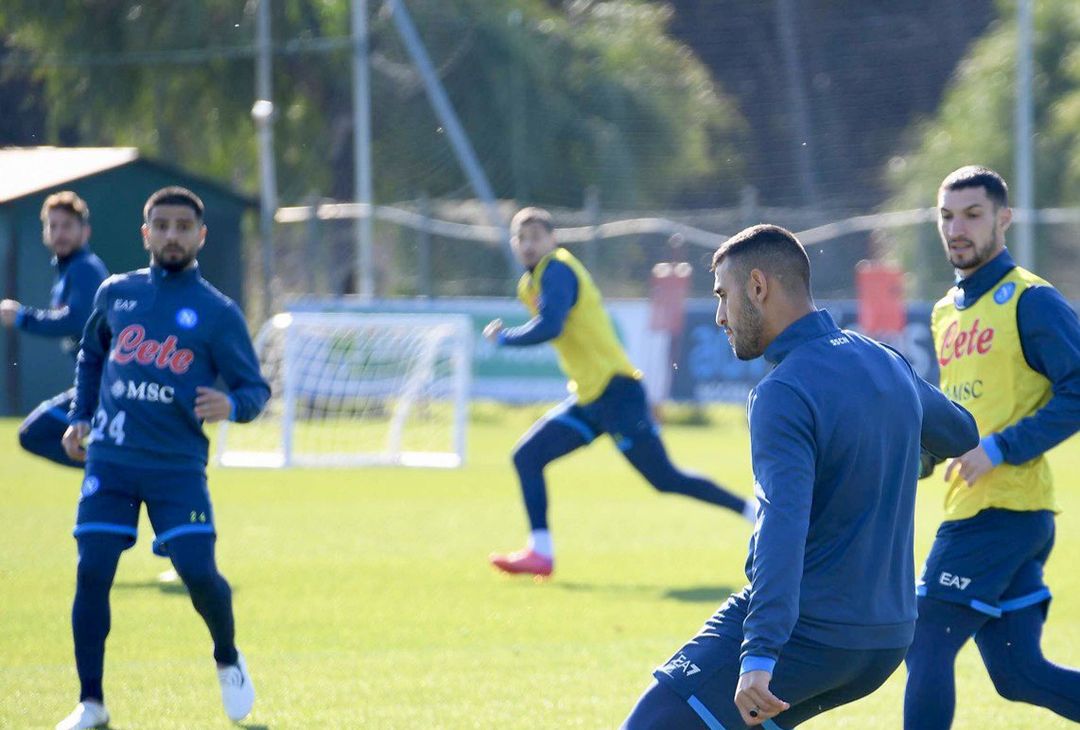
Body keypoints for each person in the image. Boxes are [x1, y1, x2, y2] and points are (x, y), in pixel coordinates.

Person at [623, 224, 979, 729]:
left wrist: (760, 652)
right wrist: (899, 455)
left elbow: (780, 528)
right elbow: (962, 433)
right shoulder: (885, 361)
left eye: (724, 295)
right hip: (884, 639)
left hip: (810, 631)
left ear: (759, 287)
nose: (720, 315)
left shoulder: (782, 391)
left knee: (651, 723)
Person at [54, 187, 271, 730]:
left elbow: (255, 389)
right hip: (112, 461)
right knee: (92, 570)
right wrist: (81, 415)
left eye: (183, 226)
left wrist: (233, 404)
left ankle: (226, 655)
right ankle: (92, 703)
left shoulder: (217, 312)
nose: (172, 234)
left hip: (177, 469)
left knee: (199, 574)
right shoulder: (116, 293)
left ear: (201, 235)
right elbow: (91, 356)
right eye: (162, 225)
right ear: (145, 233)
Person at [485, 207, 755, 578]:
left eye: (536, 237)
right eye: (522, 238)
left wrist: (504, 339)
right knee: (527, 456)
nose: (528, 244)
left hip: (617, 393)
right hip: (589, 398)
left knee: (664, 479)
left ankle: (751, 510)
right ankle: (541, 553)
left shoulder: (558, 269)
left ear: (553, 240)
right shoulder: (529, 285)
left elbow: (551, 325)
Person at [903, 166, 1080, 728]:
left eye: (973, 215)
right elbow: (952, 423)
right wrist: (907, 461)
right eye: (947, 215)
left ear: (1004, 219)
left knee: (924, 638)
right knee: (1018, 674)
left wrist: (1001, 448)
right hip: (992, 514)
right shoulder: (943, 312)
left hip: (1002, 513)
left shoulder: (1030, 299)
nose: (957, 228)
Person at [0, 191, 108, 468]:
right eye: (53, 226)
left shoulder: (84, 268)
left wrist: (24, 317)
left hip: (106, 383)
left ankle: (111, 471)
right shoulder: (68, 270)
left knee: (33, 433)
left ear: (85, 232)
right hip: (96, 383)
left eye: (67, 226)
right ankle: (111, 470)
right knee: (35, 434)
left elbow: (76, 320)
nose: (59, 233)